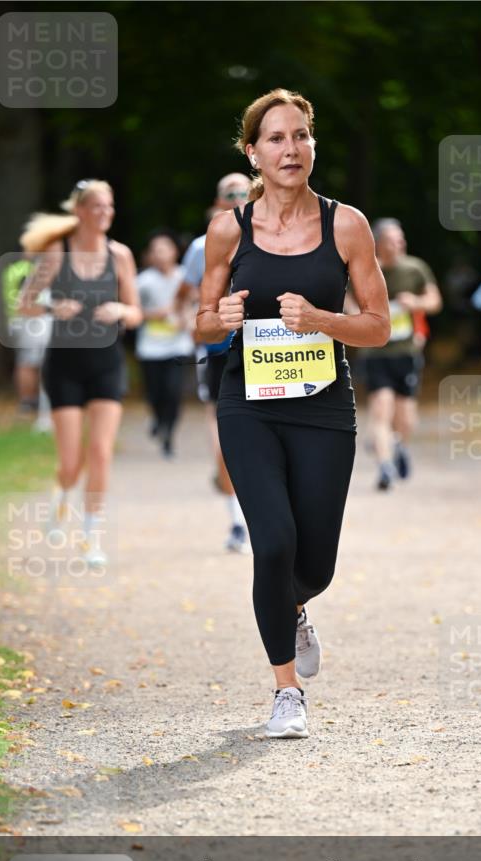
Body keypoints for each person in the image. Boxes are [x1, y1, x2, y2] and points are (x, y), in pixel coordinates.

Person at [195, 88, 389, 739]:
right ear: (252, 151)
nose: (291, 149)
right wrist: (215, 321)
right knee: (272, 543)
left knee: (316, 565)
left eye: (300, 136)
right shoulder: (228, 228)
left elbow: (378, 327)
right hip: (246, 405)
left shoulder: (346, 225)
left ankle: (297, 606)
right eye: (276, 138)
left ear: (312, 145)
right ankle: (286, 692)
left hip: (322, 408)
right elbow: (198, 323)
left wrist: (320, 320)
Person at [19, 179, 142, 566]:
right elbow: (25, 305)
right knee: (71, 462)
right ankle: (60, 499)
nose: (105, 213)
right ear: (80, 211)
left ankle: (90, 537)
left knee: (101, 452)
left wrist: (121, 312)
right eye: (97, 207)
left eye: (110, 206)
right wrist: (53, 308)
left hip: (106, 365)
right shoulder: (58, 252)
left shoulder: (119, 255)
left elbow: (136, 312)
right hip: (65, 366)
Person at [178, 174, 252, 551]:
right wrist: (193, 319)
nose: (238, 198)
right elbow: (184, 293)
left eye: (244, 192)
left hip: (262, 350)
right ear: (218, 201)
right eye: (230, 194)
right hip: (218, 349)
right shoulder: (200, 246)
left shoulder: (272, 235)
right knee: (225, 443)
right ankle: (236, 519)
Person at [359, 218, 442, 490]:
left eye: (401, 239)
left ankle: (401, 446)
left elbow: (435, 301)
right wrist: (354, 314)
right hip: (376, 352)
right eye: (393, 240)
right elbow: (348, 299)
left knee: (405, 415)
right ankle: (384, 467)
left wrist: (416, 302)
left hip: (406, 352)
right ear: (379, 244)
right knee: (381, 407)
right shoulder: (366, 269)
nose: (399, 245)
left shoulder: (415, 269)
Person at [135, 233, 192, 459]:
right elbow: (133, 311)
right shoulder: (142, 281)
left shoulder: (184, 277)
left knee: (174, 392)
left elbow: (195, 303)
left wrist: (186, 318)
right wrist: (154, 314)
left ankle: (168, 435)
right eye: (155, 250)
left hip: (179, 345)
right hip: (150, 347)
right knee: (154, 392)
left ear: (174, 252)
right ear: (150, 255)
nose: (160, 254)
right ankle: (158, 419)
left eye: (164, 249)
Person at [2, 254, 53, 428]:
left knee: (26, 362)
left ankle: (29, 402)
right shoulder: (37, 268)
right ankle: (35, 404)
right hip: (35, 323)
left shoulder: (12, 269)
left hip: (19, 322)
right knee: (32, 364)